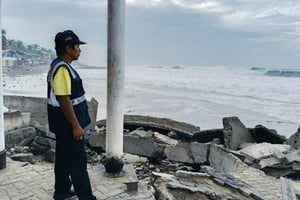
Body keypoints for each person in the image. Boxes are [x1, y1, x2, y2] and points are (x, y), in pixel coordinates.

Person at [47, 30, 97, 200]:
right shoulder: (62, 68)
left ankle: (61, 192)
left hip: (63, 126)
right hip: (68, 126)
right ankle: (86, 197)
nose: (80, 50)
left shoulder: (60, 65)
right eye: (77, 46)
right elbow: (64, 100)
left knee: (62, 159)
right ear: (69, 48)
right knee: (78, 162)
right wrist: (76, 126)